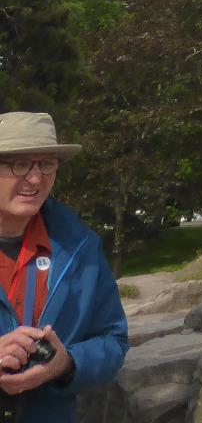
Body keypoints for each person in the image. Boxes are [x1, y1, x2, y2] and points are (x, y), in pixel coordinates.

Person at [0, 112, 127, 422]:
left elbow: (114, 340)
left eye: (46, 164)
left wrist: (67, 363)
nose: (35, 178)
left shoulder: (81, 247)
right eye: (20, 163)